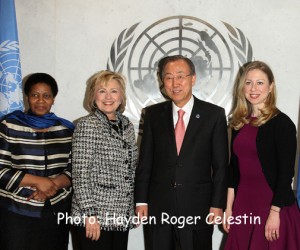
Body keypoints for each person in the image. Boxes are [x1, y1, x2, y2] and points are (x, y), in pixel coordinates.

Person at [134, 55, 229, 250]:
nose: (175, 83)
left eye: (180, 76)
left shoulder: (214, 115)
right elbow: (145, 163)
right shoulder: (153, 115)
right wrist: (141, 200)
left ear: (193, 78)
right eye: (168, 77)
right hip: (160, 206)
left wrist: (217, 204)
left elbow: (220, 166)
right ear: (162, 81)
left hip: (199, 207)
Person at [223, 61, 300, 249]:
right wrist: (229, 208)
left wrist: (275, 212)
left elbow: (285, 175)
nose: (253, 88)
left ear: (270, 87)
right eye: (248, 83)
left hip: (272, 206)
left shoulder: (282, 124)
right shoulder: (238, 123)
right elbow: (233, 172)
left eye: (260, 82)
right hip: (243, 205)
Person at [0, 73, 74, 250]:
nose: (40, 100)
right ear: (27, 97)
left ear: (53, 99)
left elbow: (75, 169)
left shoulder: (66, 129)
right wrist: (38, 182)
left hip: (56, 210)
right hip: (16, 211)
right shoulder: (9, 126)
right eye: (35, 95)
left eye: (46, 95)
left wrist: (51, 186)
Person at [71, 70, 138, 250]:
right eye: (102, 91)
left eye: (114, 91)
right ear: (93, 96)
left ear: (122, 96)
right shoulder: (87, 125)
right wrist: (90, 214)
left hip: (120, 215)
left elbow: (130, 171)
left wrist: (131, 210)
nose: (108, 97)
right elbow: (80, 174)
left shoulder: (127, 125)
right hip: (94, 216)